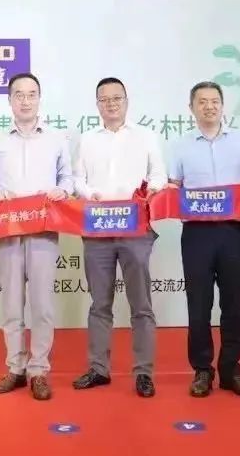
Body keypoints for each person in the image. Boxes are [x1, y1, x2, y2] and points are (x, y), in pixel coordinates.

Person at [72, 77, 167, 398]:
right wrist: (90, 194)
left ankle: (144, 373)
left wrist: (151, 190)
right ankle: (98, 369)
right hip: (97, 228)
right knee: (99, 303)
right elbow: (77, 179)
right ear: (97, 104)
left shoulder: (145, 136)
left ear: (127, 101)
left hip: (135, 229)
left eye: (117, 98)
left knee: (141, 304)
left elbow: (158, 174)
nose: (111, 104)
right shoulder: (87, 139)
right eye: (105, 99)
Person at [0, 72, 73, 401]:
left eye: (31, 94)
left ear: (39, 98)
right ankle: (15, 367)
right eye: (18, 95)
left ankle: (39, 370)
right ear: (9, 101)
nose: (25, 100)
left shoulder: (56, 138)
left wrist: (61, 190)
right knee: (11, 303)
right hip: (8, 228)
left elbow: (68, 178)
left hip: (44, 229)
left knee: (42, 304)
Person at [168, 81, 240, 398]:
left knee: (233, 303)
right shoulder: (179, 145)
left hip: (232, 231)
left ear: (222, 105)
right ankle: (202, 370)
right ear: (191, 108)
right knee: (199, 305)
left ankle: (232, 370)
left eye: (215, 101)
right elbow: (174, 185)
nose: (209, 106)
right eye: (202, 101)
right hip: (196, 233)